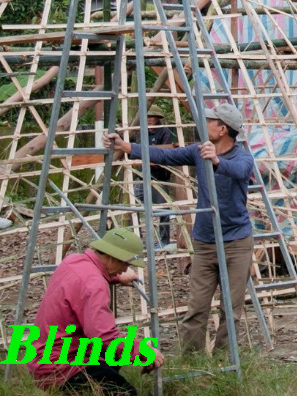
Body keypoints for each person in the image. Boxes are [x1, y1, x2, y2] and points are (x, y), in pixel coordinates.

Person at [106, 101, 255, 355]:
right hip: (205, 241)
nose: (203, 124)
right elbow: (165, 155)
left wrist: (216, 160)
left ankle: (225, 360)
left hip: (236, 243)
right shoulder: (199, 151)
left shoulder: (242, 156)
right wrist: (127, 146)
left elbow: (239, 171)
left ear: (222, 129)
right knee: (197, 306)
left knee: (231, 308)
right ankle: (192, 358)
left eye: (209, 121)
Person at [27, 226, 164, 396]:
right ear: (113, 258)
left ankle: (90, 386)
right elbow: (103, 336)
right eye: (126, 263)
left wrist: (114, 277)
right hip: (60, 366)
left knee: (112, 355)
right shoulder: (95, 286)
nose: (125, 269)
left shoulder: (74, 261)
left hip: (42, 356)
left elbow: (84, 285)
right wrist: (142, 350)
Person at [132, 109, 176, 248]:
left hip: (159, 175)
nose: (149, 119)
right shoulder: (140, 132)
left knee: (163, 208)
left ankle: (164, 240)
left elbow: (165, 152)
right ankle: (137, 238)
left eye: (152, 117)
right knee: (134, 203)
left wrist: (150, 153)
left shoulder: (164, 132)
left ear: (158, 119)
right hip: (142, 173)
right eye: (147, 117)